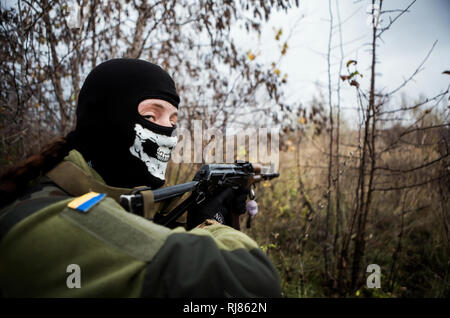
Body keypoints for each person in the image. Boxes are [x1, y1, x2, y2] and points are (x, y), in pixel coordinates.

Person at [0, 58, 281, 297]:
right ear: (103, 120)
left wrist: (196, 202)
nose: (169, 137)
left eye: (172, 121)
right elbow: (253, 281)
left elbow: (136, 217)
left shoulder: (74, 190)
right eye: (151, 115)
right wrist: (212, 225)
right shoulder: (59, 219)